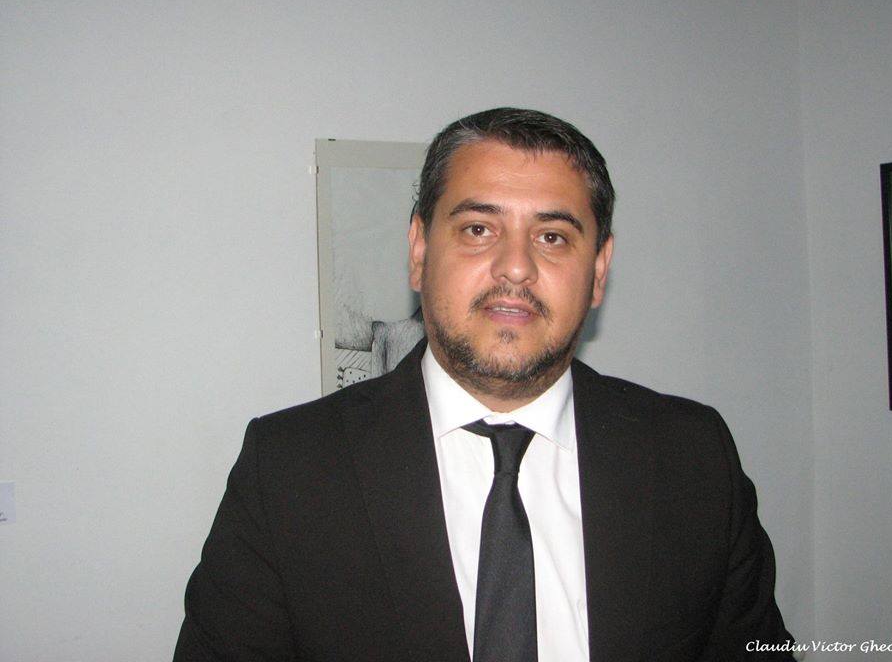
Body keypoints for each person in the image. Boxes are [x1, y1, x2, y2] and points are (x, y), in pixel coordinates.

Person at [174, 108, 794, 661]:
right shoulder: (289, 470)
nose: (516, 267)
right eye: (478, 229)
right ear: (419, 250)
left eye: (552, 237)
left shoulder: (694, 457)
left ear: (599, 271)